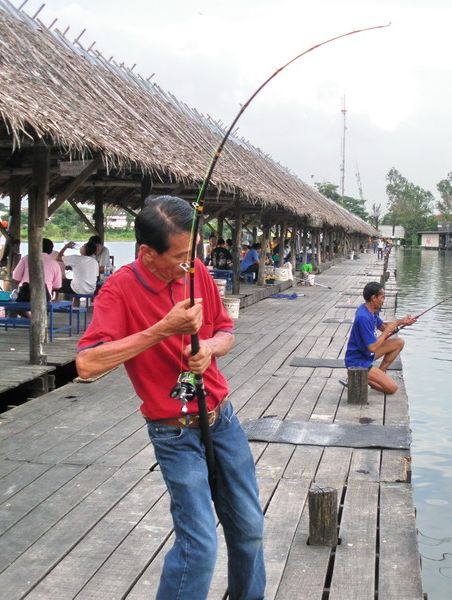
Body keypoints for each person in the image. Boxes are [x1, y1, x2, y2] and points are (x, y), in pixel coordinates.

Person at [75, 195, 265, 600]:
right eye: (179, 256)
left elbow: (226, 331)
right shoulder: (118, 290)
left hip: (221, 418)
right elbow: (87, 365)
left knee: (250, 529)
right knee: (200, 547)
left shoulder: (196, 271)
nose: (189, 264)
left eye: (192, 253)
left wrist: (210, 347)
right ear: (146, 252)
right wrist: (163, 329)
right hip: (173, 432)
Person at [342, 281, 416, 394]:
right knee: (392, 388)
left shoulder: (371, 311)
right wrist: (387, 330)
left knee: (399, 342)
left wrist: (401, 322)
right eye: (382, 297)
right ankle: (359, 378)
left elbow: (382, 326)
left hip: (366, 355)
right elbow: (372, 347)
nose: (383, 300)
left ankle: (377, 375)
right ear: (373, 298)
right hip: (357, 361)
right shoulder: (363, 317)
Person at [10, 238, 63, 317]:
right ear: (50, 250)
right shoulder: (54, 263)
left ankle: (30, 318)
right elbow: (57, 286)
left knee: (11, 305)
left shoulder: (26, 258)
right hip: (44, 297)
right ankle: (36, 319)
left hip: (25, 296)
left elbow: (15, 277)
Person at [0, 220, 11, 290]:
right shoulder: (9, 234)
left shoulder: (3, 236)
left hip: (5, 260)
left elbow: (3, 248)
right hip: (10, 258)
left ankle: (6, 293)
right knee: (8, 276)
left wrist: (0, 261)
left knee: (5, 277)